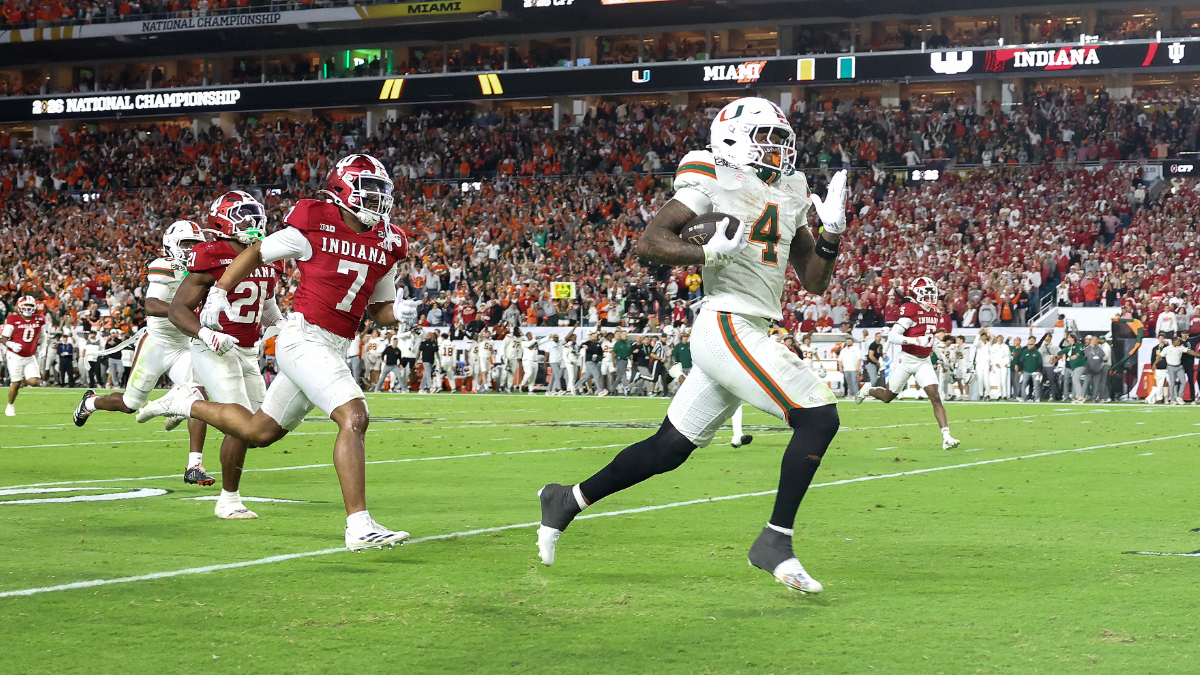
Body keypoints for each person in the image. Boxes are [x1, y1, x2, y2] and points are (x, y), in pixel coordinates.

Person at [536, 98, 848, 593]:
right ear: (732, 138)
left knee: (669, 448)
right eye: (766, 136)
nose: (777, 148)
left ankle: (566, 499)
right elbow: (650, 241)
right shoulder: (712, 173)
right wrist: (703, 252)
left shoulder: (791, 189)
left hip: (751, 326)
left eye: (781, 139)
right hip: (725, 320)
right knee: (818, 415)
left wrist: (831, 234)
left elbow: (813, 281)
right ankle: (775, 541)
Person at [137, 154, 416, 550]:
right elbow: (256, 252)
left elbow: (379, 311)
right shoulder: (312, 218)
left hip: (334, 343)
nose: (376, 203)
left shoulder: (390, 241)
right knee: (354, 415)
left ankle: (187, 403)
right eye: (368, 193)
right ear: (342, 190)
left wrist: (400, 313)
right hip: (302, 337)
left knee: (257, 432)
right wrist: (218, 292)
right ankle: (359, 525)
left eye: (380, 195)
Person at [166, 193, 284, 519]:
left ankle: (186, 402)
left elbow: (265, 300)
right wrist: (206, 333)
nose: (253, 223)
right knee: (241, 424)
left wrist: (280, 323)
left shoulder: (265, 254)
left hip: (246, 351)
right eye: (243, 216)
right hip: (213, 347)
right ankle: (228, 500)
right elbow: (177, 309)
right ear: (223, 220)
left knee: (262, 431)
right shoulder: (212, 254)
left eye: (254, 216)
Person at [72, 221, 215, 486]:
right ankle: (91, 402)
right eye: (186, 244)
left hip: (184, 343)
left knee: (199, 395)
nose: (191, 249)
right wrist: (180, 310)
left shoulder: (204, 267)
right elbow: (150, 304)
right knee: (130, 405)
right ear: (171, 244)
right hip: (157, 343)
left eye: (195, 244)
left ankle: (194, 465)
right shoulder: (166, 266)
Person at [855, 277, 961, 450]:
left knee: (935, 396)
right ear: (918, 294)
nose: (931, 295)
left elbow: (931, 339)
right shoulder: (911, 309)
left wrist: (941, 356)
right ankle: (868, 389)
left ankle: (946, 437)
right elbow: (893, 336)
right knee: (888, 397)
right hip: (907, 359)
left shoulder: (934, 312)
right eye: (927, 292)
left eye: (931, 292)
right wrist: (914, 340)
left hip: (923, 361)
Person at [2, 296, 47, 417]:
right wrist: (11, 344)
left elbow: (43, 337)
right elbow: (3, 338)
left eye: (30, 306)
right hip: (14, 355)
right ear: (19, 307)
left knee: (34, 382)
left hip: (30, 356)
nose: (28, 309)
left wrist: (43, 349)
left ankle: (20, 379)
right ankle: (10, 405)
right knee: (15, 384)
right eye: (25, 306)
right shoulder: (13, 319)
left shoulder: (39, 319)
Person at [1154, 336, 1200, 405]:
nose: (1180, 342)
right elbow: (1160, 357)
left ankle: (1179, 397)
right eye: (1178, 341)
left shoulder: (1181, 348)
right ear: (1174, 341)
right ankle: (1172, 399)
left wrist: (1198, 355)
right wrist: (1154, 365)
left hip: (1179, 367)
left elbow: (1190, 352)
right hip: (1171, 367)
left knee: (1183, 382)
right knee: (1172, 383)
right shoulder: (1167, 348)